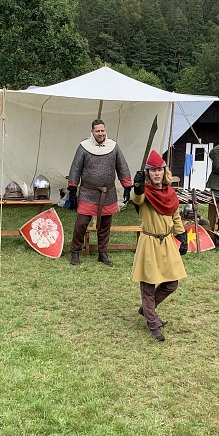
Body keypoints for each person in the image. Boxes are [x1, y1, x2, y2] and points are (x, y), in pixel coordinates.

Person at [131, 151, 187, 341]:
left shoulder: (170, 193)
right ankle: (153, 322)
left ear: (164, 172)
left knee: (172, 283)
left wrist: (181, 235)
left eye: (159, 170)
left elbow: (175, 216)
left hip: (167, 242)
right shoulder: (144, 193)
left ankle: (147, 309)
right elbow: (137, 199)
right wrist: (138, 187)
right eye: (153, 170)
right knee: (148, 285)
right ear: (148, 173)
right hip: (149, 242)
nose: (157, 173)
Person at [67, 119, 132, 266]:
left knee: (105, 225)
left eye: (103, 130)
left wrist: (127, 186)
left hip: (108, 193)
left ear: (105, 130)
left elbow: (122, 166)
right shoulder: (84, 147)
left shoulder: (113, 147)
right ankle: (75, 252)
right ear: (92, 132)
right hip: (87, 193)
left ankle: (103, 253)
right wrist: (72, 189)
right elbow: (75, 168)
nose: (101, 133)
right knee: (81, 224)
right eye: (98, 131)